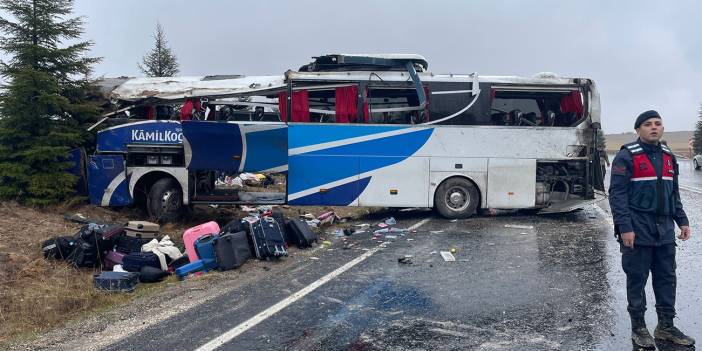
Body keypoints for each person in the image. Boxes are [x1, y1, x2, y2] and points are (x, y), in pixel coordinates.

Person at [609, 110, 695, 348]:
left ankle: (666, 326)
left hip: (664, 231)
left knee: (667, 278)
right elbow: (617, 195)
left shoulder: (669, 156)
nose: (654, 127)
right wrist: (625, 227)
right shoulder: (627, 156)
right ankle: (639, 328)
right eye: (648, 124)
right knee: (637, 279)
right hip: (637, 230)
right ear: (638, 129)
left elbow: (673, 193)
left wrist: (683, 221)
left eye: (658, 123)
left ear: (663, 128)